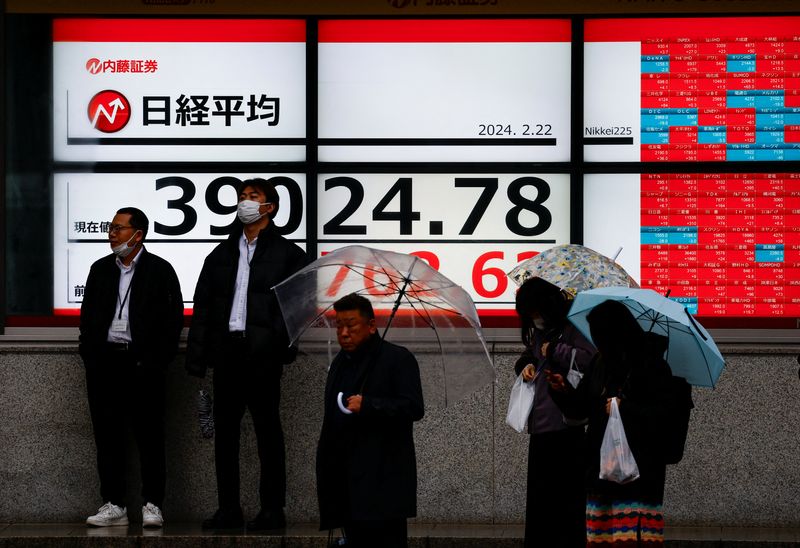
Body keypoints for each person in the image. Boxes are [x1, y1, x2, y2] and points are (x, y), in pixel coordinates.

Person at [185, 177, 308, 530]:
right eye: (241, 197)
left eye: (253, 197)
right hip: (228, 354)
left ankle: (272, 510)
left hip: (262, 357)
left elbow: (299, 306)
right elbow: (204, 307)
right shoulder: (221, 253)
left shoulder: (288, 254)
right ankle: (229, 510)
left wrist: (277, 345)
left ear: (269, 207)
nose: (244, 203)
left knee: (268, 432)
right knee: (225, 435)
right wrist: (198, 358)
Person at [79, 207, 184, 528]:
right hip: (105, 363)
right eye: (111, 227)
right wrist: (91, 355)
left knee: (150, 436)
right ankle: (114, 503)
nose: (111, 233)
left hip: (143, 364)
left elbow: (173, 321)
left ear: (138, 235)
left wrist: (155, 361)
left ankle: (153, 503)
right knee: (108, 437)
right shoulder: (100, 269)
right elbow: (88, 318)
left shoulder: (159, 270)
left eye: (119, 228)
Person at [547, 299, 673, 546]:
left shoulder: (653, 366)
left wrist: (624, 408)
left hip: (638, 473)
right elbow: (581, 407)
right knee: (601, 538)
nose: (597, 343)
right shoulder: (600, 363)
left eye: (601, 336)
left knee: (632, 538)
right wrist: (562, 390)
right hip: (601, 470)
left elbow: (664, 415)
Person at [316, 293, 425, 548]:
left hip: (384, 480)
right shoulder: (340, 363)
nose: (343, 333)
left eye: (351, 325)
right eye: (339, 326)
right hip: (347, 480)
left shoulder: (398, 359)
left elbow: (413, 407)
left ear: (371, 325)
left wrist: (370, 404)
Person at [512, 276, 595, 547]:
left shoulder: (575, 325)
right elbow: (531, 354)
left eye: (535, 312)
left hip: (566, 427)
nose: (533, 319)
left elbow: (589, 360)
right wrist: (525, 366)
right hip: (540, 425)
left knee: (566, 503)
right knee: (540, 502)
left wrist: (555, 349)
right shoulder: (542, 330)